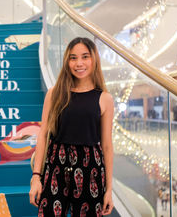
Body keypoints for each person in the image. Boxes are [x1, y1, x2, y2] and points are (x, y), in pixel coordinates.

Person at [29, 37, 114, 216]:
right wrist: (36, 177)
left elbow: (106, 146)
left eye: (85, 57)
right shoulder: (55, 94)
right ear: (67, 61)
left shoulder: (104, 98)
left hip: (91, 168)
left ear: (94, 60)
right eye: (73, 58)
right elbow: (43, 134)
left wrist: (109, 190)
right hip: (55, 165)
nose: (79, 63)